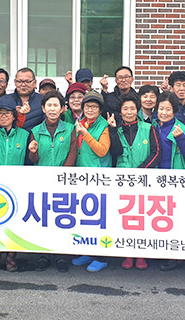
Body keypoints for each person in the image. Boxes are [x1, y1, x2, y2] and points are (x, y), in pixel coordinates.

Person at [0, 99, 33, 273]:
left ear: (14, 116)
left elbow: (28, 161)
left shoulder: (24, 135)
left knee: (14, 223)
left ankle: (11, 257)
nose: (3, 116)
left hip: (16, 183)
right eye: (0, 113)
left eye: (7, 113)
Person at [109, 92, 161, 270]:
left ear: (137, 110)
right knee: (125, 218)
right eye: (125, 109)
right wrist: (113, 131)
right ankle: (127, 254)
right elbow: (115, 152)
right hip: (122, 180)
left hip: (144, 180)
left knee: (144, 218)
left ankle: (141, 254)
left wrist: (141, 172)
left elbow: (156, 153)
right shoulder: (116, 128)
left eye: (132, 108)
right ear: (120, 111)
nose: (129, 112)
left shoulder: (149, 128)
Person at [28, 90, 78, 272]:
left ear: (63, 109)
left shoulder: (71, 129)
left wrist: (62, 176)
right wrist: (33, 152)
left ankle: (62, 255)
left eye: (56, 105)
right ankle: (43, 254)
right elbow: (33, 159)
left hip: (63, 182)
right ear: (43, 108)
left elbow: (73, 153)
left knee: (62, 219)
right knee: (44, 218)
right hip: (41, 181)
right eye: (49, 105)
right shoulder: (35, 131)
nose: (52, 109)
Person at [70, 92, 111, 272]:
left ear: (100, 109)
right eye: (87, 107)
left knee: (100, 219)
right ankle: (88, 251)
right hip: (81, 175)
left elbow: (102, 150)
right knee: (86, 217)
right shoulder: (80, 123)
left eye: (94, 107)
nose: (90, 109)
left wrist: (86, 134)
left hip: (99, 176)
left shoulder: (104, 125)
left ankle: (101, 256)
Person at [156, 92, 185, 272]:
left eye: (168, 109)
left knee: (173, 218)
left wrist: (180, 138)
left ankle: (174, 256)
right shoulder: (154, 126)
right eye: (161, 109)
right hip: (156, 177)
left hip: (174, 178)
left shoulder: (182, 129)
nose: (163, 112)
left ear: (175, 110)